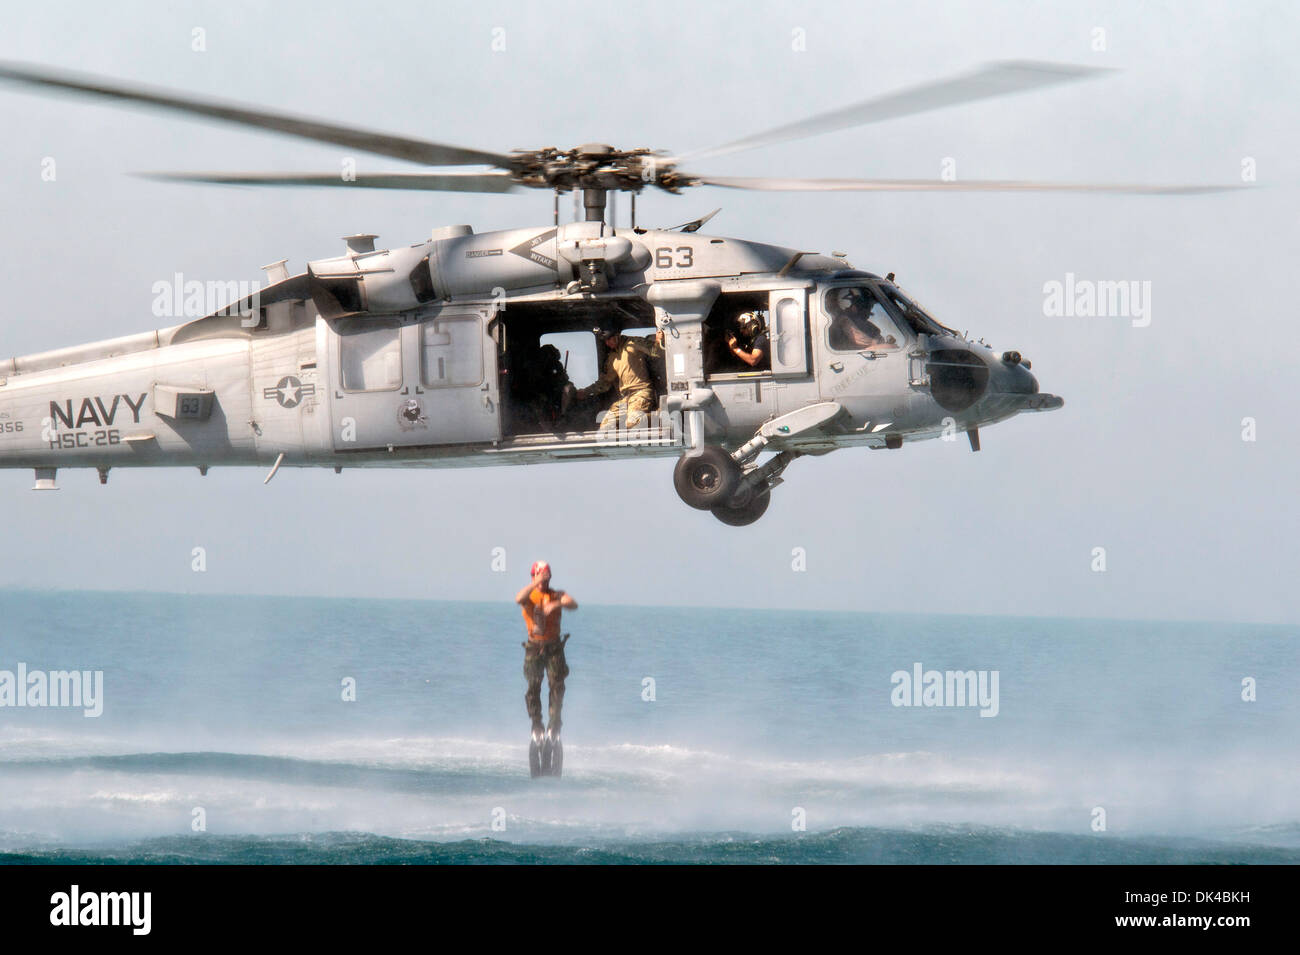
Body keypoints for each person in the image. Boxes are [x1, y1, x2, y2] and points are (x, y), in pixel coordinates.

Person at [514, 560, 577, 741]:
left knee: (557, 686)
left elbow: (572, 603)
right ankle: (536, 725)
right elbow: (518, 598)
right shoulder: (529, 596)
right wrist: (535, 583)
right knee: (533, 687)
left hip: (554, 648)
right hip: (534, 648)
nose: (544, 582)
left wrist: (556, 605)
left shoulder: (556, 595)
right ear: (533, 577)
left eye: (546, 578)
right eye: (540, 577)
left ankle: (554, 726)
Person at [574, 324, 665, 432]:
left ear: (617, 335)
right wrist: (586, 392)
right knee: (606, 428)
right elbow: (605, 382)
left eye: (609, 339)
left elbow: (657, 352)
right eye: (605, 341)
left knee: (632, 423)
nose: (608, 343)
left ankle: (659, 417)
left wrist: (659, 341)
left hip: (642, 393)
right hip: (626, 398)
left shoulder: (633, 343)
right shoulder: (612, 357)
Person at [827, 287, 898, 352]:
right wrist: (877, 343)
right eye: (866, 308)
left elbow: (877, 335)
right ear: (854, 308)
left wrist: (881, 341)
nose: (868, 313)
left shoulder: (867, 325)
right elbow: (859, 339)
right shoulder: (843, 320)